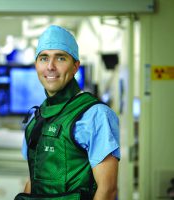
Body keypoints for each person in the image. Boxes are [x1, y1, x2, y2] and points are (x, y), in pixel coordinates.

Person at [14, 25, 120, 200]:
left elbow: (107, 189)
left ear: (76, 66)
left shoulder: (96, 115)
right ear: (36, 65)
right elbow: (33, 181)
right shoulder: (37, 118)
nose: (50, 66)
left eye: (60, 58)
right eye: (43, 58)